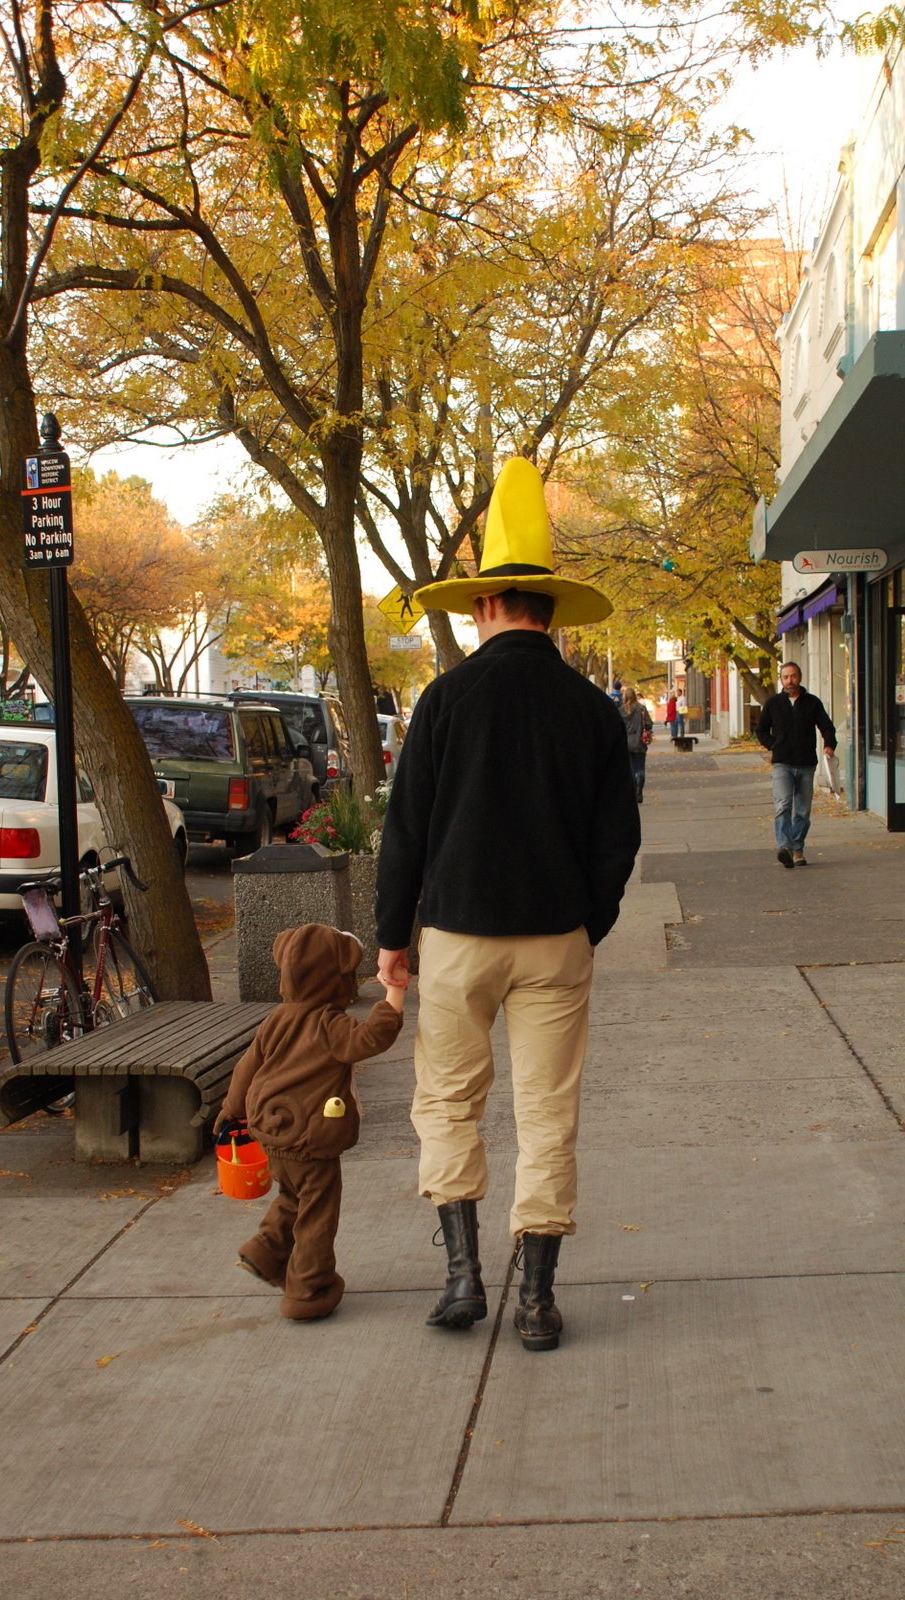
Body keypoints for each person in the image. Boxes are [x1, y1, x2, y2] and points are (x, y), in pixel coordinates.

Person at [375, 457, 640, 1353]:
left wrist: (390, 938)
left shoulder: (443, 702)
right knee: (546, 1112)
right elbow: (618, 841)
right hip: (555, 939)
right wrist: (584, 920)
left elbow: (403, 830)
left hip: (456, 939)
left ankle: (462, 1280)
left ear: (486, 605)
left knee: (448, 1102)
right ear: (551, 611)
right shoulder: (593, 712)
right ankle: (537, 1300)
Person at [214, 923, 403, 1321]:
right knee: (317, 1210)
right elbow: (371, 1037)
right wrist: (395, 994)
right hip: (312, 1134)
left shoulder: (276, 1020)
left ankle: (264, 1251)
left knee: (292, 1195)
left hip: (270, 1129)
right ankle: (308, 1289)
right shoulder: (329, 1024)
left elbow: (247, 1069)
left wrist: (232, 1111)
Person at [756, 661, 837, 869]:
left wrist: (829, 745)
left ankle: (797, 848)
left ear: (800, 677)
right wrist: (773, 745)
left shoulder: (812, 703)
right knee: (783, 804)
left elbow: (827, 726)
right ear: (781, 680)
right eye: (785, 677)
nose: (789, 681)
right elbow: (761, 730)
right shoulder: (774, 703)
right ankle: (785, 848)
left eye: (793, 676)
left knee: (802, 810)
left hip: (806, 763)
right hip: (782, 763)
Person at [620, 685, 652, 803]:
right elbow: (648, 724)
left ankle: (633, 791)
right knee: (640, 767)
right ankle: (639, 787)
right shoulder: (641, 709)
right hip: (639, 742)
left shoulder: (621, 710)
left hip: (626, 743)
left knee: (630, 769)